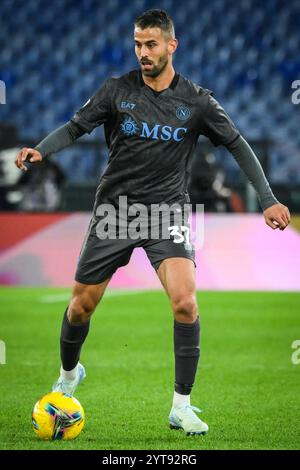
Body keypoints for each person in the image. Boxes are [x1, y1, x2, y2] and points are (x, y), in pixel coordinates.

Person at [15, 9, 291, 436]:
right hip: (115, 212)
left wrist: (269, 199)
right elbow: (75, 128)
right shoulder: (115, 91)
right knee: (79, 306)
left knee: (186, 302)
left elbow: (237, 144)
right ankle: (70, 375)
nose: (143, 53)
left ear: (171, 45)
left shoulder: (197, 101)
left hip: (167, 213)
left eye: (151, 45)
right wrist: (41, 150)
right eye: (137, 44)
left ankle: (181, 405)